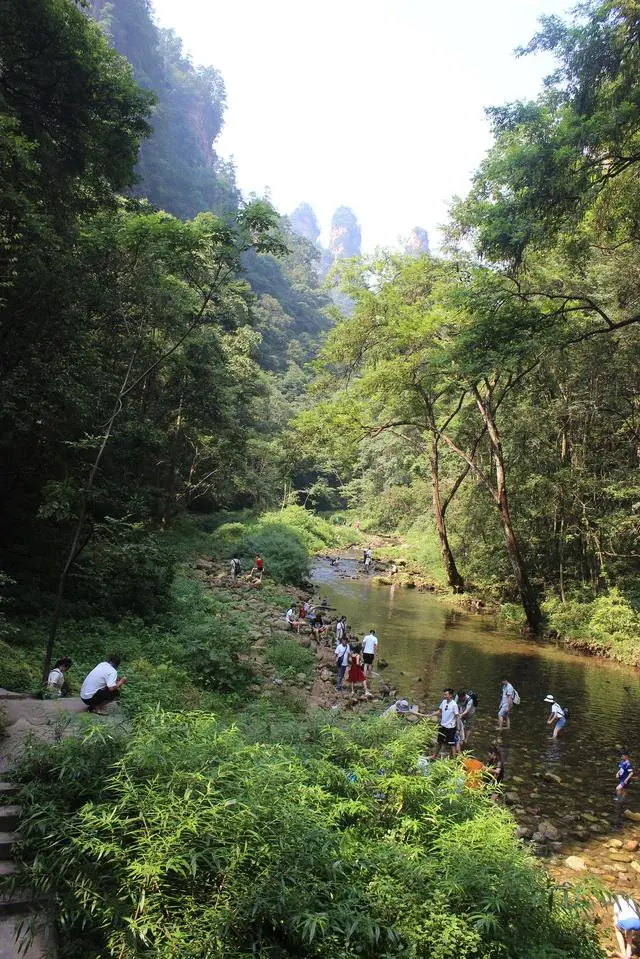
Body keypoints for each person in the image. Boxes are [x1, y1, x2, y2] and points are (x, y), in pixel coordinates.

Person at [430, 688, 460, 759]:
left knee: (452, 744)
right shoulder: (443, 702)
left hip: (450, 728)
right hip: (442, 726)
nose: (444, 696)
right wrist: (432, 714)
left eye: (446, 695)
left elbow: (457, 717)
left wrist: (458, 729)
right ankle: (434, 756)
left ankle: (454, 760)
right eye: (444, 694)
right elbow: (439, 711)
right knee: (439, 742)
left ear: (450, 695)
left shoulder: (454, 705)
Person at [613, 895, 640, 959]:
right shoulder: (631, 901)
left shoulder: (616, 903)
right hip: (637, 923)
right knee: (629, 929)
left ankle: (624, 953)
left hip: (627, 923)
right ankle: (629, 951)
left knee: (617, 929)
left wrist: (618, 925)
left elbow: (616, 917)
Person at [615, 749, 634, 825]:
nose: (622, 756)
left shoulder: (628, 763)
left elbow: (631, 772)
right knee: (623, 790)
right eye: (621, 755)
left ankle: (620, 800)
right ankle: (622, 800)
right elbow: (620, 769)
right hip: (621, 779)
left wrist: (626, 779)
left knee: (618, 788)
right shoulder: (622, 762)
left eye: (623, 755)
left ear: (626, 756)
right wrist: (617, 773)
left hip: (625, 780)